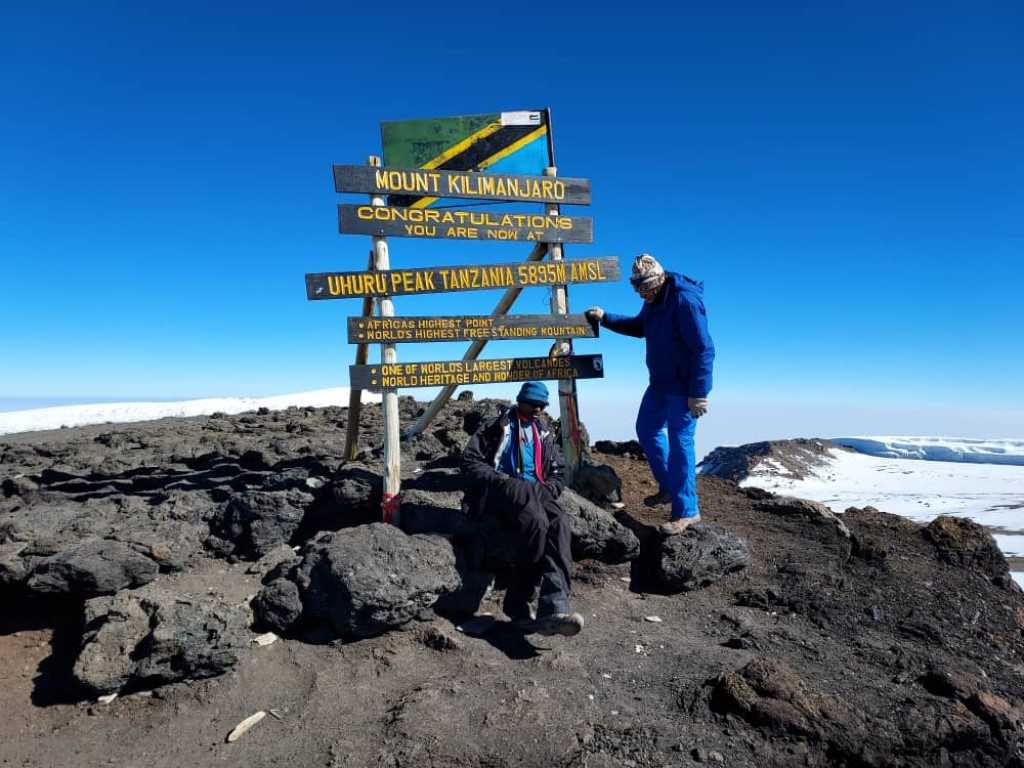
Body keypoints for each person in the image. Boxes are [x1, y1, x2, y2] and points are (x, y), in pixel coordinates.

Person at [586, 253, 715, 536]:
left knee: (681, 443)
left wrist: (699, 392)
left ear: (658, 280)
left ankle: (687, 511)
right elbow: (639, 327)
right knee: (647, 430)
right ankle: (669, 486)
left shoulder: (684, 301)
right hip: (659, 384)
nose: (640, 293)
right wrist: (605, 318)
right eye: (636, 287)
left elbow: (703, 349)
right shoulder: (653, 301)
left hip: (684, 388)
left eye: (644, 287)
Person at [461, 381, 584, 637]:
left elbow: (559, 468)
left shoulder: (543, 430)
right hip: (507, 488)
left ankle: (556, 607)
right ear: (521, 401)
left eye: (543, 405)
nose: (539, 409)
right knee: (536, 525)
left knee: (560, 524)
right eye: (534, 404)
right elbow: (470, 460)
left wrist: (553, 487)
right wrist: (500, 481)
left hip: (539, 488)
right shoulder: (497, 426)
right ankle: (518, 603)